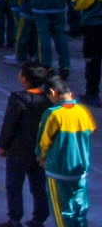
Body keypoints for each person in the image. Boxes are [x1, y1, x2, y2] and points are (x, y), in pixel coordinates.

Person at [0, 63, 55, 227]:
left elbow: (10, 124)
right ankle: (39, 218)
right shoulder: (48, 100)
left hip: (18, 149)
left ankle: (15, 218)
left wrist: (3, 145)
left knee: (14, 185)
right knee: (38, 186)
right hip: (39, 150)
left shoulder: (18, 99)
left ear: (24, 78)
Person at [39, 82, 93, 227]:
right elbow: (90, 131)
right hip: (80, 170)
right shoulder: (83, 112)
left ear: (52, 92)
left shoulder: (53, 113)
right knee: (80, 209)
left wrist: (41, 157)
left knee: (63, 212)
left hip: (59, 170)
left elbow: (43, 142)